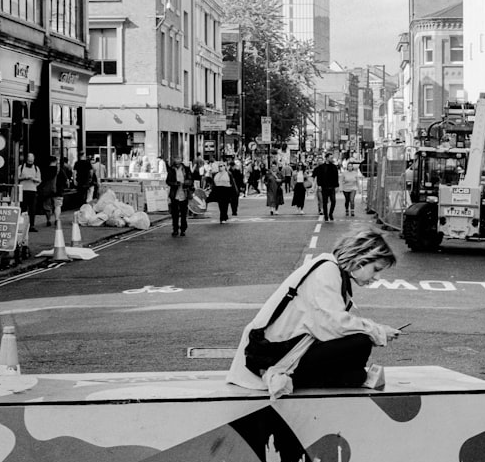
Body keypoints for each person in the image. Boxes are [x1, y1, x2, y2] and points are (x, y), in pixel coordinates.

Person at [226, 229, 404, 398]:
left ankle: (337, 378)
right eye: (377, 269)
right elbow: (334, 326)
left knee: (355, 368)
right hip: (269, 360)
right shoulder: (327, 272)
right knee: (361, 344)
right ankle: (294, 380)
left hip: (282, 351)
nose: (377, 278)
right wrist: (378, 331)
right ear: (361, 259)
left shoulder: (332, 270)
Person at [166, 156, 194, 237]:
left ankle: (183, 230)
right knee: (175, 214)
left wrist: (187, 182)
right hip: (175, 194)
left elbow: (191, 179)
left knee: (183, 213)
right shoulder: (171, 169)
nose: (177, 164)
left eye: (179, 162)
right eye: (176, 162)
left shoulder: (186, 169)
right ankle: (175, 229)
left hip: (184, 193)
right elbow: (168, 181)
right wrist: (175, 183)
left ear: (181, 162)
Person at [17, 152, 42, 232]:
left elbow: (39, 180)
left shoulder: (36, 168)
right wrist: (24, 178)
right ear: (26, 160)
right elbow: (17, 178)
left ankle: (32, 225)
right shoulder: (21, 167)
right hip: (23, 190)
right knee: (23, 208)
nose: (30, 163)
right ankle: (23, 225)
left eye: (32, 161)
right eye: (29, 161)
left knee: (32, 209)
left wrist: (33, 179)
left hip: (32, 190)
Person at [313, 153, 340, 221]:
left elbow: (336, 177)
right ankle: (326, 215)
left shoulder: (334, 167)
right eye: (330, 157)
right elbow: (319, 177)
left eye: (332, 157)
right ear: (327, 158)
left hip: (332, 187)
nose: (332, 159)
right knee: (324, 202)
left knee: (333, 201)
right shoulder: (322, 167)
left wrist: (337, 186)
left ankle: (331, 213)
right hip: (324, 187)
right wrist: (319, 185)